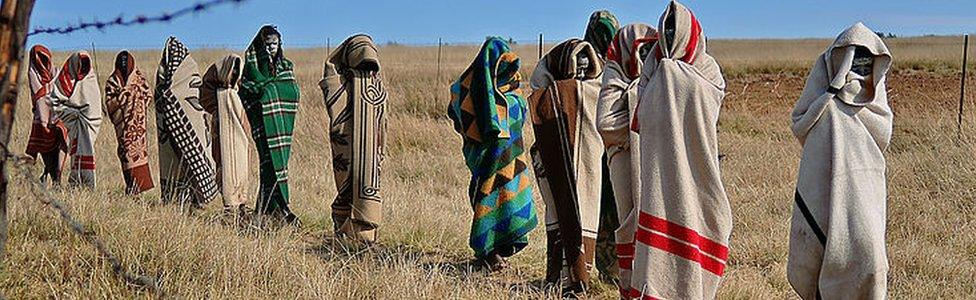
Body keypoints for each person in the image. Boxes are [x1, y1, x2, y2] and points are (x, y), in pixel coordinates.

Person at [627, 1, 731, 299]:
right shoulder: (653, 66)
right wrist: (665, 74)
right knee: (658, 248)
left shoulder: (706, 67)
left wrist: (672, 75)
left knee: (710, 221)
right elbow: (643, 110)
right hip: (660, 169)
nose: (670, 33)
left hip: (697, 166)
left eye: (676, 27)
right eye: (666, 27)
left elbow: (709, 102)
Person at [788, 22, 892, 300]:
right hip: (826, 199)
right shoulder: (825, 111)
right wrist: (831, 95)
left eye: (865, 59)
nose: (858, 67)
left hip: (867, 199)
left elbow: (883, 131)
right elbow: (802, 124)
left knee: (871, 262)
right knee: (829, 260)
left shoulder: (876, 105)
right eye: (852, 58)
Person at [447, 37, 537, 271]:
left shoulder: (513, 101)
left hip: (511, 163)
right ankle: (487, 252)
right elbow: (458, 115)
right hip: (487, 163)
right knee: (486, 199)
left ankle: (498, 250)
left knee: (508, 200)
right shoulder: (475, 97)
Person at [528, 38, 605, 294]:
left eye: (586, 65)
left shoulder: (597, 91)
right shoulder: (550, 95)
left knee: (585, 213)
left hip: (589, 169)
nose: (581, 72)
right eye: (576, 65)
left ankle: (581, 275)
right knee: (560, 212)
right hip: (559, 168)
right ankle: (561, 277)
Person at [596, 23, 658, 297]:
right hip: (620, 162)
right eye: (640, 50)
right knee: (626, 223)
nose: (643, 57)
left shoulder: (659, 75)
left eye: (649, 49)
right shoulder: (613, 73)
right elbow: (606, 122)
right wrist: (638, 96)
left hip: (654, 164)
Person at [319, 34, 387, 243]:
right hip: (346, 146)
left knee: (368, 182)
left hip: (371, 151)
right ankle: (345, 230)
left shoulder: (377, 85)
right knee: (348, 182)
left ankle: (364, 233)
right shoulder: (340, 82)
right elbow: (336, 111)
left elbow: (382, 120)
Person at [240, 25, 301, 224]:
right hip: (261, 122)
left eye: (274, 44)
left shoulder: (286, 66)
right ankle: (272, 211)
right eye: (267, 45)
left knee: (279, 164)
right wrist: (269, 91)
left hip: (281, 125)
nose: (271, 48)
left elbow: (292, 90)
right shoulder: (252, 67)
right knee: (267, 164)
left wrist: (270, 91)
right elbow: (247, 89)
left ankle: (273, 211)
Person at [583, 9, 622, 284]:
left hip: (604, 151)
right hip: (598, 152)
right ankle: (609, 269)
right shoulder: (585, 62)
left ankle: (611, 269)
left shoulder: (618, 64)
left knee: (606, 205)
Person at [155, 36, 218, 206]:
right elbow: (166, 95)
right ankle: (176, 205)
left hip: (189, 126)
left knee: (191, 161)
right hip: (167, 134)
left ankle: (194, 200)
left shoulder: (188, 72)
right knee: (173, 166)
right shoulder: (163, 83)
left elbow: (188, 98)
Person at [200, 54, 252, 216]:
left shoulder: (239, 90)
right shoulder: (217, 93)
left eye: (237, 69)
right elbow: (205, 99)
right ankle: (229, 203)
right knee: (224, 165)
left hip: (240, 137)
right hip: (221, 135)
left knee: (242, 166)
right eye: (232, 68)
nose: (235, 72)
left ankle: (242, 201)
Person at [104, 50, 154, 195]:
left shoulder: (140, 79)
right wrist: (121, 97)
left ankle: (137, 189)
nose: (125, 66)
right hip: (122, 127)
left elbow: (148, 96)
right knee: (125, 153)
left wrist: (135, 95)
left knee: (138, 154)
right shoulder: (112, 81)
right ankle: (130, 186)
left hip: (138, 128)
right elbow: (109, 103)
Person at [51, 51, 102, 189]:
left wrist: (84, 116)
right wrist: (72, 113)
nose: (82, 68)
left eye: (85, 64)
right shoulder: (65, 78)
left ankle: (88, 183)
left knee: (86, 150)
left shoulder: (91, 80)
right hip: (73, 122)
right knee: (76, 153)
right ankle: (76, 183)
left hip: (89, 124)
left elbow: (96, 110)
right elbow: (55, 101)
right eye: (80, 64)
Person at [25, 45, 69, 184]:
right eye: (38, 59)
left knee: (60, 146)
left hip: (58, 119)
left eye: (44, 58)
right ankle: (50, 175)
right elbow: (39, 98)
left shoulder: (57, 73)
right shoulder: (33, 75)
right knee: (46, 151)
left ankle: (57, 179)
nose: (41, 62)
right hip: (42, 121)